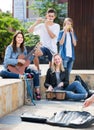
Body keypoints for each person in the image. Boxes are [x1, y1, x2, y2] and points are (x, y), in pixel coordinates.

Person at [0, 30, 41, 100]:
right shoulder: (10, 48)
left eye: (21, 37)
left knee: (35, 71)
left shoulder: (23, 48)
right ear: (15, 38)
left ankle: (37, 90)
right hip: (10, 69)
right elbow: (6, 61)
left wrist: (33, 54)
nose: (20, 39)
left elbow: (25, 61)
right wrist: (18, 60)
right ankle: (21, 76)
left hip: (21, 69)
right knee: (2, 73)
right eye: (18, 37)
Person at [28, 8, 60, 72]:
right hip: (44, 47)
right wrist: (36, 22)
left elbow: (52, 36)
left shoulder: (56, 26)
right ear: (46, 16)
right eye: (49, 16)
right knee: (34, 53)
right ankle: (38, 69)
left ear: (54, 17)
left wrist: (46, 25)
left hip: (52, 49)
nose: (50, 17)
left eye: (52, 16)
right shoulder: (41, 25)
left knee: (51, 70)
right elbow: (29, 31)